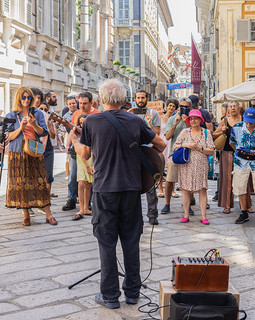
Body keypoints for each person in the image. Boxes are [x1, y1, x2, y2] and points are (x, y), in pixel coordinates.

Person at [70, 79, 166, 309]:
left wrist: (74, 139)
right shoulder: (135, 121)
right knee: (131, 241)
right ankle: (132, 293)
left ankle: (110, 296)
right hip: (131, 188)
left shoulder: (92, 121)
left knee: (106, 242)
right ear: (124, 100)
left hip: (104, 189)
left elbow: (85, 152)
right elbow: (161, 145)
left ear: (100, 100)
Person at [5, 86, 57, 226]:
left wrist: (34, 125)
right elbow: (9, 136)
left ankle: (48, 214)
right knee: (21, 183)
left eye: (29, 97)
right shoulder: (12, 115)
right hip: (17, 152)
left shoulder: (38, 114)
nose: (26, 100)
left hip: (34, 150)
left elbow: (43, 133)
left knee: (41, 181)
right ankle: (26, 215)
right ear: (19, 98)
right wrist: (20, 128)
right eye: (24, 97)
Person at [174, 109, 214, 224]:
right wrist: (186, 145)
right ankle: (186, 215)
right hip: (186, 165)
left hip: (201, 165)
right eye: (191, 118)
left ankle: (203, 216)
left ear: (200, 120)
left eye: (195, 118)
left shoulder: (206, 133)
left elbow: (211, 150)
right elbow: (175, 146)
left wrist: (200, 148)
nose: (193, 120)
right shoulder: (184, 132)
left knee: (202, 190)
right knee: (186, 190)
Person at [62, 92, 100, 211]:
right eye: (80, 103)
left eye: (85, 103)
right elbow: (72, 132)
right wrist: (69, 145)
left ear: (91, 103)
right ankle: (71, 199)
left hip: (93, 151)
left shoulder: (97, 114)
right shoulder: (77, 113)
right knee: (73, 177)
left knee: (90, 178)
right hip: (77, 150)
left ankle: (88, 203)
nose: (82, 106)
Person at [132, 90, 161, 225]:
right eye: (138, 98)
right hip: (133, 151)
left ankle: (152, 215)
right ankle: (134, 215)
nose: (140, 100)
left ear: (147, 98)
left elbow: (157, 133)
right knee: (133, 184)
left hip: (148, 150)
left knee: (150, 184)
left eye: (143, 97)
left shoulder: (153, 113)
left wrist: (149, 123)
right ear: (135, 99)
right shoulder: (130, 112)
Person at [161, 97, 191, 214]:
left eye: (187, 107)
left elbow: (195, 133)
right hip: (175, 153)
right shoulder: (172, 119)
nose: (184, 109)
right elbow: (167, 137)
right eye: (182, 106)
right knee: (170, 179)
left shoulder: (193, 119)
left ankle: (188, 204)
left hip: (189, 153)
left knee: (189, 181)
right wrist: (175, 124)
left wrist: (187, 122)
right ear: (179, 108)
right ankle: (167, 204)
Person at [212, 100, 242, 214]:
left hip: (242, 153)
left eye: (235, 106)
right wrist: (222, 131)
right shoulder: (224, 121)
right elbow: (214, 134)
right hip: (227, 152)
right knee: (227, 179)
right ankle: (227, 205)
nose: (233, 108)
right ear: (228, 110)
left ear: (239, 108)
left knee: (244, 178)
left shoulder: (244, 120)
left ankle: (247, 205)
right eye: (231, 107)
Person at [73, 114, 94, 220]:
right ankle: (81, 208)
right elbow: (82, 153)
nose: (83, 125)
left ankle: (86, 207)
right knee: (81, 182)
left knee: (89, 183)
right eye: (81, 123)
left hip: (91, 158)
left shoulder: (93, 132)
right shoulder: (76, 134)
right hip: (82, 159)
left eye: (85, 123)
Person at [158, 98, 179, 198]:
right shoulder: (160, 117)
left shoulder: (176, 119)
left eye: (173, 106)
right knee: (160, 167)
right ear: (166, 106)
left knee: (172, 167)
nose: (171, 108)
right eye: (170, 105)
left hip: (171, 142)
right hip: (162, 142)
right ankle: (160, 189)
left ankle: (172, 190)